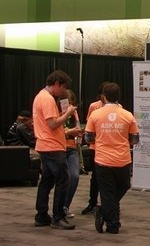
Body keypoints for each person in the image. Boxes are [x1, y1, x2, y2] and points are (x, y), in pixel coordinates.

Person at [85, 82, 139, 234]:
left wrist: (101, 138)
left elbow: (88, 138)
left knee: (107, 192)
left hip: (102, 159)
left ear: (103, 96)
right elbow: (135, 139)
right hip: (123, 159)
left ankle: (103, 211)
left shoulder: (95, 114)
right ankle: (113, 224)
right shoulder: (128, 115)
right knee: (123, 186)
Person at [32, 69, 77, 230]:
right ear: (57, 83)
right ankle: (58, 217)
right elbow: (52, 124)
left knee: (47, 180)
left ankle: (41, 216)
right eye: (63, 87)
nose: (63, 91)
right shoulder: (47, 99)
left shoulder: (41, 96)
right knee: (64, 179)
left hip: (46, 144)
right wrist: (68, 113)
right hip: (51, 145)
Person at [81, 82, 107, 215]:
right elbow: (89, 125)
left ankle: (107, 203)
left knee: (108, 178)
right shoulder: (94, 106)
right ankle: (92, 203)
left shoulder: (118, 107)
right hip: (95, 147)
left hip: (109, 147)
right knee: (95, 176)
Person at [61, 90, 83, 219]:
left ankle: (65, 206)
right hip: (60, 148)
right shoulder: (56, 112)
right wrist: (69, 132)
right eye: (67, 102)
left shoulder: (74, 112)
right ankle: (59, 208)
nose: (69, 105)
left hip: (73, 148)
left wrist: (79, 133)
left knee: (74, 176)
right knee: (62, 179)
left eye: (71, 103)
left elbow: (77, 127)